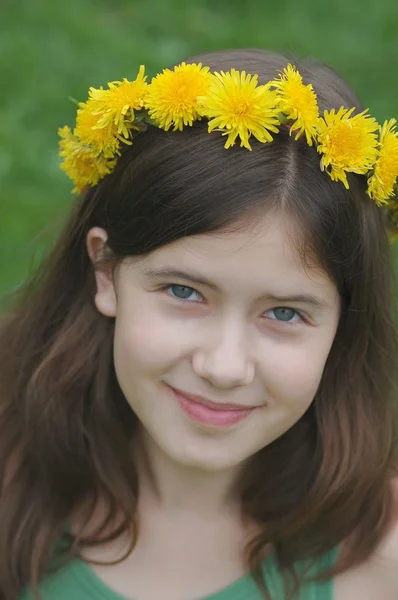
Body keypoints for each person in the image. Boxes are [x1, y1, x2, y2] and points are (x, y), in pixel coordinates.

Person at [1, 47, 398, 600]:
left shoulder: (380, 563)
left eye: (284, 312)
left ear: (343, 323)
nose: (224, 367)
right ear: (107, 273)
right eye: (185, 292)